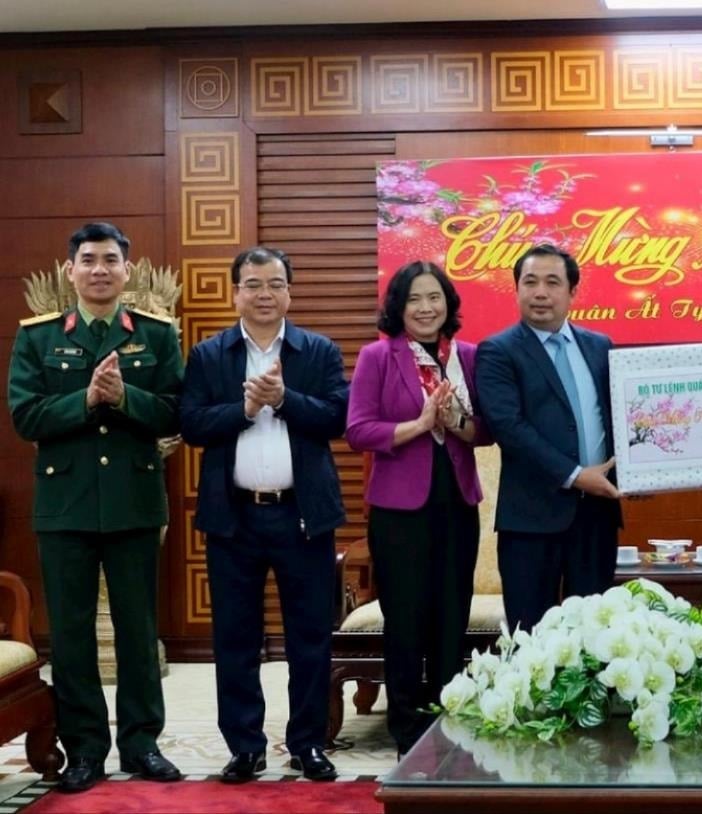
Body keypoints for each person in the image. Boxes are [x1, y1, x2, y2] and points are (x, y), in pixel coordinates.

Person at [7, 222, 184, 793]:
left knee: (137, 629)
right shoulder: (37, 337)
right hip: (65, 507)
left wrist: (125, 396)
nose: (100, 269)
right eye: (88, 260)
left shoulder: (157, 335)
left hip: (133, 504)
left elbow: (176, 413)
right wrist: (85, 399)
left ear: (127, 270)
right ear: (71, 271)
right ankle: (83, 749)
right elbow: (25, 417)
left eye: (111, 259)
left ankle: (141, 744)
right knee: (73, 633)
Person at [179, 247, 348, 783]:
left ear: (290, 292)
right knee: (234, 636)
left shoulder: (316, 350)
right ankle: (245, 747)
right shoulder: (210, 355)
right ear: (236, 293)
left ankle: (307, 743)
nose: (264, 294)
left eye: (274, 284)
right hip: (235, 518)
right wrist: (247, 410)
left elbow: (338, 418)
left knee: (310, 636)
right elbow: (192, 424)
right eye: (253, 285)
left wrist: (286, 399)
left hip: (303, 516)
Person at [346, 261, 490, 756]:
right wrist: (420, 422)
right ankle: (405, 725)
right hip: (399, 510)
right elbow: (358, 430)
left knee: (452, 615)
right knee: (405, 618)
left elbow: (484, 433)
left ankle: (447, 713)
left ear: (448, 304)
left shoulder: (467, 356)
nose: (426, 308)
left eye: (435, 298)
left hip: (457, 502)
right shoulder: (377, 357)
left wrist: (455, 420)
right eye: (414, 299)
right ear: (398, 307)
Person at [476, 244, 621, 632]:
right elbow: (510, 428)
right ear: (517, 289)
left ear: (573, 292)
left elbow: (620, 419)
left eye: (553, 282)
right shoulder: (498, 351)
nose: (541, 292)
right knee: (531, 639)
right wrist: (575, 474)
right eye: (530, 282)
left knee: (594, 636)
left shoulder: (599, 346)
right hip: (530, 522)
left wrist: (638, 471)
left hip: (596, 516)